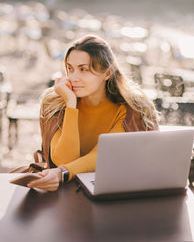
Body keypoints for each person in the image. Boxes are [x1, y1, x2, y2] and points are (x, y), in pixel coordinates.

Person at [28, 35, 159, 191]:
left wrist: (63, 172)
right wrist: (71, 105)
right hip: (62, 194)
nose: (73, 77)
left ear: (108, 73)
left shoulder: (131, 109)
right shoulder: (55, 104)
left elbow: (103, 155)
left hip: (115, 193)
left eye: (83, 69)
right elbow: (64, 160)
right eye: (70, 69)